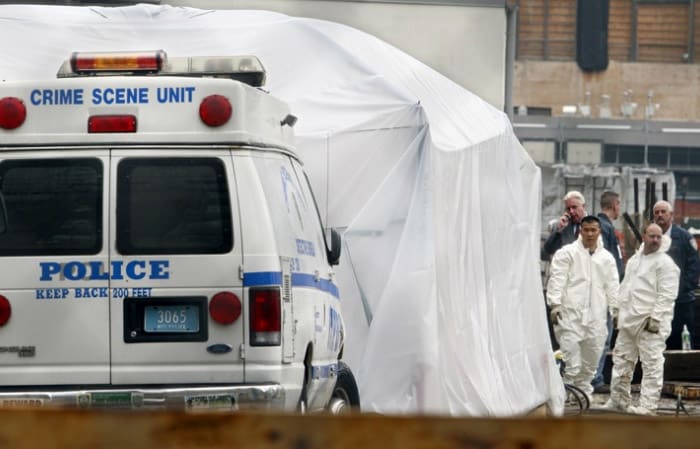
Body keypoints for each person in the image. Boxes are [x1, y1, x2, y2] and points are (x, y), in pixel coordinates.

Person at [605, 223, 679, 415]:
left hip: (649, 323)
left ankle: (648, 405)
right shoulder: (635, 261)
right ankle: (618, 400)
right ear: (644, 236)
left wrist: (656, 318)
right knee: (622, 360)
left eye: (658, 236)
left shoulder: (665, 263)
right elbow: (626, 288)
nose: (655, 240)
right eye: (651, 236)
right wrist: (618, 311)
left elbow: (667, 294)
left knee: (651, 363)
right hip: (629, 320)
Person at [546, 215, 619, 398]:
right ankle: (564, 398)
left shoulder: (606, 259)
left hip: (596, 318)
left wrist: (616, 310)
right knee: (571, 363)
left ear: (599, 231)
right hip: (570, 316)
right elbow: (557, 279)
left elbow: (613, 286)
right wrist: (555, 304)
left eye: (593, 230)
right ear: (581, 230)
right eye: (586, 230)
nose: (589, 234)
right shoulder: (567, 253)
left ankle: (583, 400)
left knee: (590, 365)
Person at [652, 200, 700, 349]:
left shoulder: (684, 237)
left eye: (663, 212)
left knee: (686, 337)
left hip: (682, 300)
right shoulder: (650, 238)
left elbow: (694, 266)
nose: (660, 215)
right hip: (657, 300)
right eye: (657, 212)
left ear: (671, 215)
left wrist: (681, 288)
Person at [591, 190, 625, 394]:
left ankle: (595, 377)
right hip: (603, 293)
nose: (620, 208)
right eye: (619, 204)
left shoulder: (606, 227)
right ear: (614, 204)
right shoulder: (604, 228)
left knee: (603, 336)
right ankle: (595, 379)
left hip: (606, 291)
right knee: (602, 336)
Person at [541, 190, 587, 261]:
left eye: (574, 207)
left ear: (583, 207)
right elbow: (547, 250)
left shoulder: (593, 224)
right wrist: (559, 231)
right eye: (568, 209)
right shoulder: (561, 226)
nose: (571, 211)